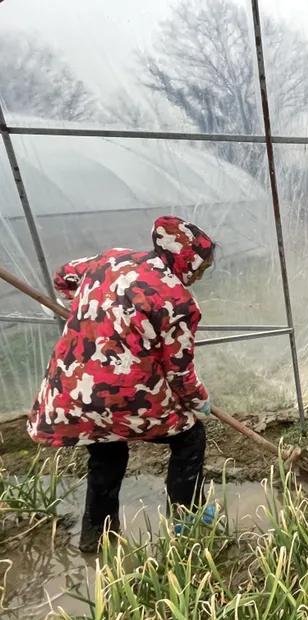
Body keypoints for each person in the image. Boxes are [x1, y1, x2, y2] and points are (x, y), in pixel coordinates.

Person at [27, 216, 216, 551]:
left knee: (106, 450)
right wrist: (200, 399)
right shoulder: (178, 301)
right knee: (190, 438)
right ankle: (189, 524)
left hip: (77, 390)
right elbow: (179, 372)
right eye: (200, 268)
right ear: (186, 260)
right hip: (127, 397)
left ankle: (96, 536)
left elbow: (63, 277)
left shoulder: (111, 259)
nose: (200, 275)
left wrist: (92, 307)